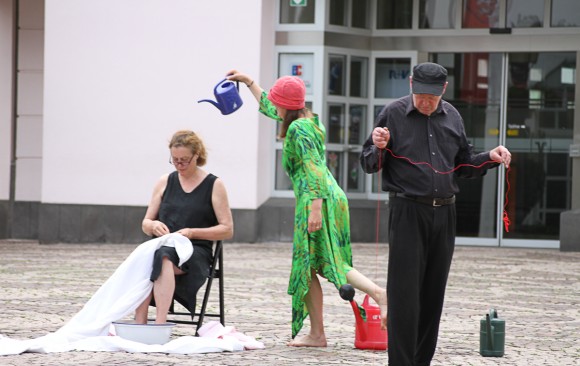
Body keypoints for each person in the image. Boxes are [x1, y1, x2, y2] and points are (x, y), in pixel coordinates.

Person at [360, 62, 512, 365]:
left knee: (433, 295)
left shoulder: (452, 116)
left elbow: (464, 164)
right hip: (407, 212)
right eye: (420, 95)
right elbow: (368, 164)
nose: (425, 101)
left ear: (442, 90)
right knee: (404, 297)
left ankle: (422, 361)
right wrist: (378, 145)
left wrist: (490, 158)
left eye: (431, 96)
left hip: (444, 215)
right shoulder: (392, 113)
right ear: (411, 85)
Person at [226, 70, 387, 347]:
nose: (273, 106)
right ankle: (317, 334)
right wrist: (249, 82)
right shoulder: (309, 121)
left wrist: (314, 209)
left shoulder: (298, 129)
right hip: (328, 197)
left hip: (318, 199)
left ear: (286, 106)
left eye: (278, 102)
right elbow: (270, 107)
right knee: (311, 266)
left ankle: (378, 294)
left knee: (328, 263)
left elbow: (312, 168)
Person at [134, 129, 234, 324]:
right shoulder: (165, 181)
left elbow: (227, 229)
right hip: (164, 245)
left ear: (197, 155)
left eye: (184, 160)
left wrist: (192, 232)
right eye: (175, 159)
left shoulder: (214, 185)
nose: (179, 164)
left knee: (162, 257)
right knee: (147, 258)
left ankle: (160, 323)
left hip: (195, 250)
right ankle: (140, 322)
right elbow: (145, 223)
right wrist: (153, 225)